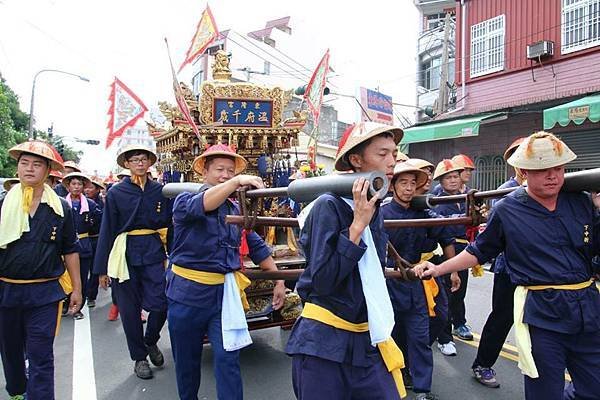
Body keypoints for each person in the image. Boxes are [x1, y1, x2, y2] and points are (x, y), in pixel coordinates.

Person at [415, 131, 600, 400]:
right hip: (543, 313)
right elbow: (479, 251)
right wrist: (440, 268)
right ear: (524, 172)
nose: (552, 176)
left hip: (587, 309)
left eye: (558, 169)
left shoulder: (581, 201)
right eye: (543, 170)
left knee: (594, 386)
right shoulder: (509, 208)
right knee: (544, 390)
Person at [286, 122, 406, 400]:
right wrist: (356, 227)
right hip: (322, 342)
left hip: (366, 338)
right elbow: (324, 281)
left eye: (394, 153)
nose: (392, 161)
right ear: (356, 160)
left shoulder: (373, 205)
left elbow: (372, 273)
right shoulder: (328, 205)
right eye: (382, 154)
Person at [167, 144, 286, 400]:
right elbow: (206, 203)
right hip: (186, 294)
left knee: (228, 358)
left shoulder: (234, 210)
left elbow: (255, 245)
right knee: (187, 361)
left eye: (230, 171)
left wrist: (278, 279)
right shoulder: (185, 201)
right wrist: (235, 183)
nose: (225, 175)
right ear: (204, 172)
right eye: (219, 169)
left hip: (223, 296)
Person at [0, 140, 82, 400]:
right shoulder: (2, 205)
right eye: (24, 163)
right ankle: (16, 391)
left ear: (48, 172)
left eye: (37, 164)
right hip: (6, 291)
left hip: (45, 293)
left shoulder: (61, 209)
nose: (29, 169)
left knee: (41, 354)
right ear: (17, 168)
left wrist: (77, 288)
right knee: (10, 351)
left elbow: (70, 249)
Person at [94, 144, 172, 380]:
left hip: (152, 251)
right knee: (129, 309)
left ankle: (150, 341)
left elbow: (171, 224)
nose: (139, 163)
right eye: (135, 159)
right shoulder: (117, 193)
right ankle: (139, 358)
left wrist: (174, 256)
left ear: (150, 163)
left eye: (144, 159)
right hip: (123, 254)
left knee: (162, 302)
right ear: (126, 164)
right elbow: (107, 230)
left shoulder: (160, 191)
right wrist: (101, 269)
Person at [383, 162, 456, 400]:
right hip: (389, 281)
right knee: (390, 335)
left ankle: (423, 389)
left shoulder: (424, 213)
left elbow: (445, 234)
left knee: (420, 337)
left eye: (413, 183)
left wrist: (452, 270)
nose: (408, 188)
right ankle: (393, 380)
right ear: (392, 186)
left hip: (416, 282)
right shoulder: (382, 213)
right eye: (403, 183)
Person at [471, 137, 525, 388]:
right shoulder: (505, 192)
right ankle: (482, 364)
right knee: (502, 317)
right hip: (510, 267)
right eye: (521, 156)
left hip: (542, 270)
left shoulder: (552, 188)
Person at [430, 159, 473, 355]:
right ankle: (444, 335)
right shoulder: (435, 200)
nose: (453, 180)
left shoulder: (464, 197)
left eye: (456, 176)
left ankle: (460, 323)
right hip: (446, 249)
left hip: (465, 248)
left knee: (460, 292)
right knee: (446, 294)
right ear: (440, 180)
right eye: (448, 177)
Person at [62, 172, 102, 319]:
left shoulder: (91, 205)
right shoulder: (61, 203)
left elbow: (98, 222)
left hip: (84, 244)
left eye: (79, 184)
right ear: (68, 186)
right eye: (73, 184)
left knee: (82, 277)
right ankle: (66, 303)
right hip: (65, 246)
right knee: (65, 276)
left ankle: (79, 306)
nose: (76, 187)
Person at [84, 178, 105, 308]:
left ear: (98, 189)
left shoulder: (101, 205)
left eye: (91, 187)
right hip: (83, 239)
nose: (87, 190)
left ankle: (91, 295)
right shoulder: (80, 202)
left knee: (94, 269)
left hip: (97, 238)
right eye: (86, 187)